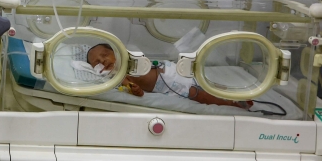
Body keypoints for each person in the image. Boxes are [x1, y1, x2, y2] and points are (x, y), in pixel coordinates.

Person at [85, 43, 251, 109]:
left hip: (172, 69)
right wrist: (135, 90)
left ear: (115, 52)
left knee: (208, 83)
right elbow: (132, 89)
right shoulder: (118, 75)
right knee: (199, 95)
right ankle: (232, 104)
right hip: (169, 85)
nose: (103, 61)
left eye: (105, 54)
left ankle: (233, 93)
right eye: (97, 63)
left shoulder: (128, 57)